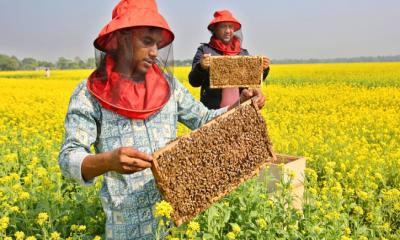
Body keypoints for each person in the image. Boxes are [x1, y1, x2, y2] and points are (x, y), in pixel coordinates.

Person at [58, 0, 265, 239]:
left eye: (157, 44)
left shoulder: (169, 86)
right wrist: (107, 161)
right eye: (147, 42)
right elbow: (68, 158)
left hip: (174, 217)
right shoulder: (88, 94)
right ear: (122, 40)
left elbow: (205, 119)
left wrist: (241, 104)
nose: (155, 52)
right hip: (124, 226)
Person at [188, 10, 271, 110]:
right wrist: (201, 67)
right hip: (212, 111)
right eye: (223, 26)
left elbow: (253, 82)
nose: (228, 31)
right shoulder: (204, 50)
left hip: (240, 109)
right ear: (215, 29)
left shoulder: (243, 53)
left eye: (230, 27)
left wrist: (263, 69)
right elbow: (194, 81)